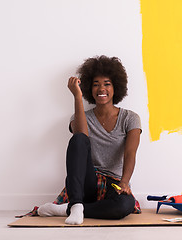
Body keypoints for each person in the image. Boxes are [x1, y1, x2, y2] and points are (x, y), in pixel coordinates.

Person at [37, 55, 141, 225]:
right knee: (78, 139)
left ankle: (67, 209)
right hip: (87, 182)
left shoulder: (130, 118)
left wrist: (124, 183)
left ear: (116, 87)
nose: (102, 89)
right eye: (96, 84)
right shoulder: (79, 117)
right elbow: (81, 139)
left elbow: (130, 152)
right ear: (89, 89)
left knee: (124, 206)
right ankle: (77, 204)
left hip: (113, 183)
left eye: (107, 84)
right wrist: (77, 97)